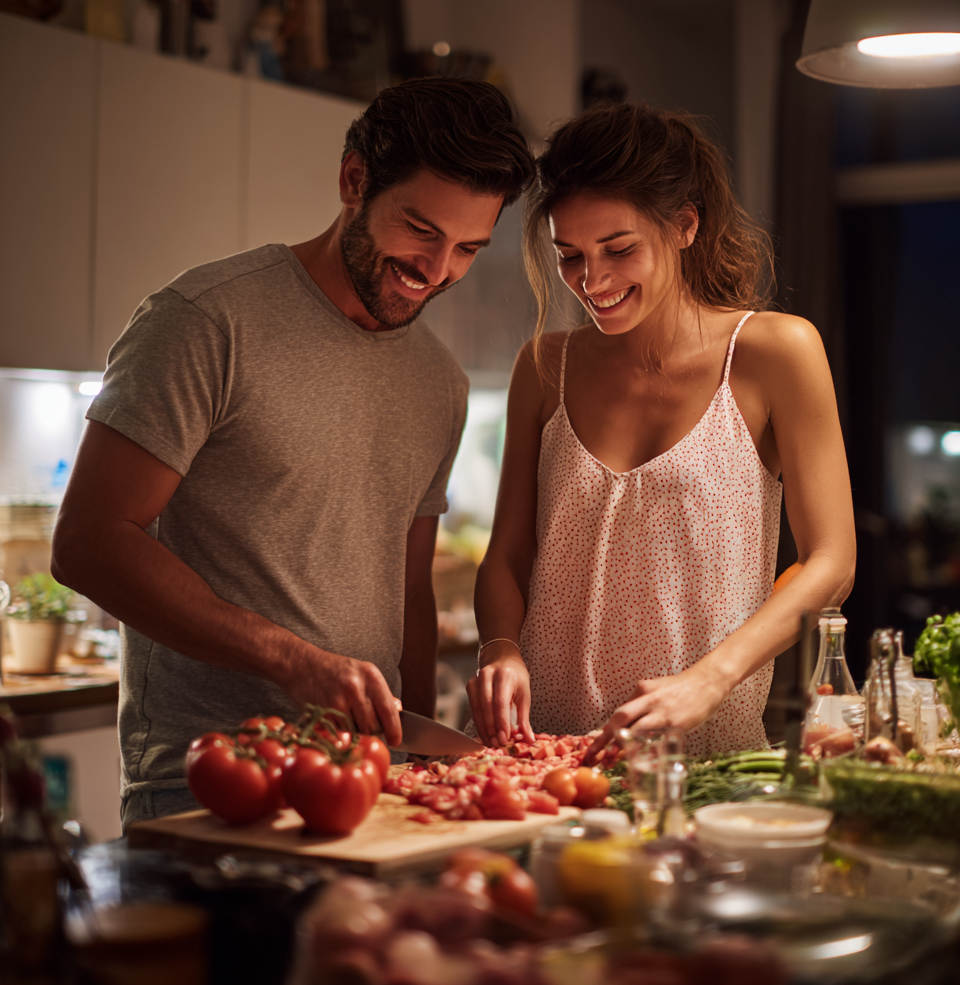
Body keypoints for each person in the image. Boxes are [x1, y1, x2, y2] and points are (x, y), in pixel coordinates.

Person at [50, 77, 535, 827]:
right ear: (353, 180)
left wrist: (412, 756)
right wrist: (291, 659)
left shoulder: (440, 381)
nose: (438, 272)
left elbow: (408, 587)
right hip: (208, 779)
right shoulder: (207, 321)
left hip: (367, 776)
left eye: (468, 248)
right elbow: (86, 543)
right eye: (421, 230)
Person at [467, 103, 856, 758]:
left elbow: (831, 561)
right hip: (553, 765)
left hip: (709, 760)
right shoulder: (544, 366)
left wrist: (711, 679)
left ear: (684, 225)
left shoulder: (774, 351)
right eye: (570, 256)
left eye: (619, 249)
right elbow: (507, 556)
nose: (593, 281)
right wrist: (500, 646)